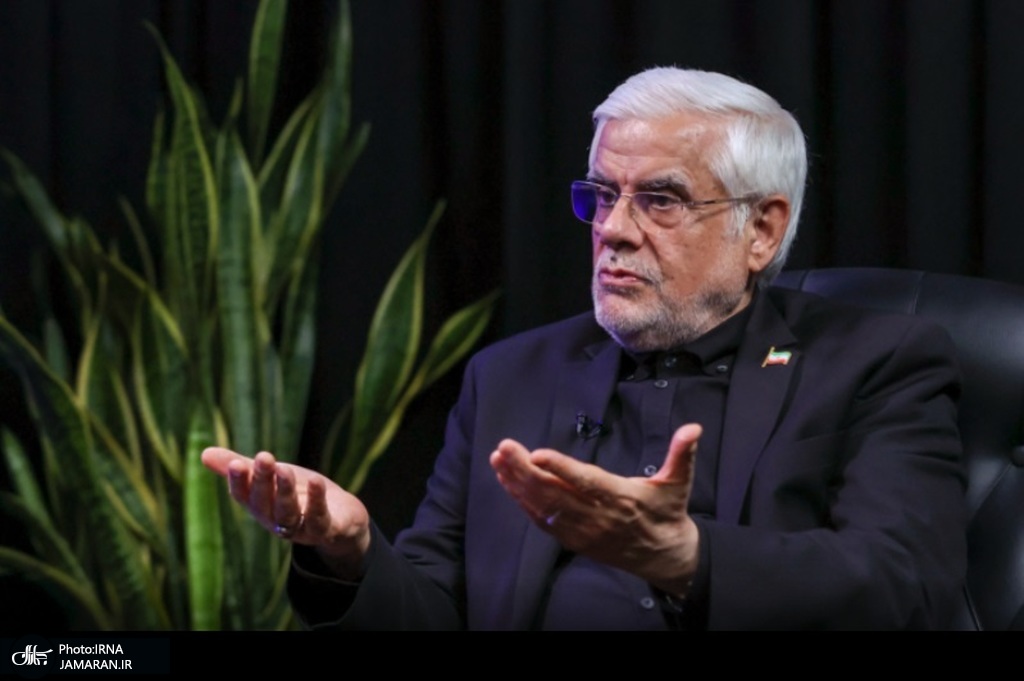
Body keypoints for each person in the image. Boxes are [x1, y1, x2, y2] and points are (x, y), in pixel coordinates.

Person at [202, 66, 967, 630]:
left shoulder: (878, 361)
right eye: (601, 195)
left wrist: (685, 557)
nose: (613, 229)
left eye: (659, 200)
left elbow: (905, 586)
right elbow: (435, 611)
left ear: (762, 229)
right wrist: (352, 552)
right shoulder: (510, 375)